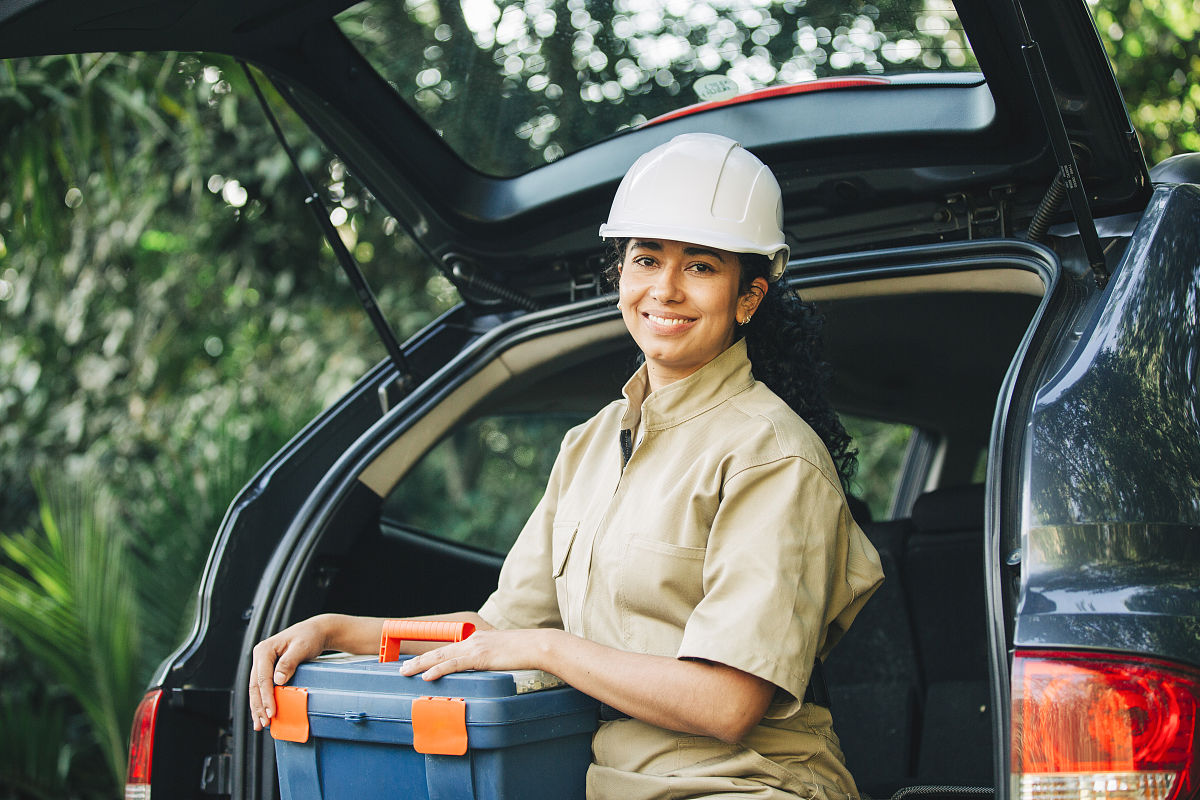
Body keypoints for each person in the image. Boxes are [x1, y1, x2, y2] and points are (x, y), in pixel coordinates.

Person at [249, 132, 884, 799]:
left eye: (700, 266)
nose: (665, 289)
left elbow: (726, 703)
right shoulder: (591, 444)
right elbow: (499, 634)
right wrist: (337, 631)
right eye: (647, 259)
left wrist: (547, 649)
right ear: (621, 276)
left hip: (748, 785)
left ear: (748, 298)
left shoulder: (774, 455)